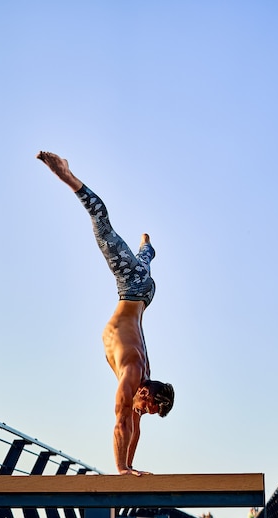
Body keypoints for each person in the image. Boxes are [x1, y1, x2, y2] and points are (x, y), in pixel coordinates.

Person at [37, 151, 174, 476]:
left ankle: (147, 248)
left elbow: (134, 428)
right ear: (145, 392)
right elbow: (119, 419)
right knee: (103, 228)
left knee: (142, 259)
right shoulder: (132, 373)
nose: (144, 412)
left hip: (145, 296)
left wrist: (132, 463)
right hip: (134, 286)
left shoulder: (142, 383)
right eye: (149, 407)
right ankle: (68, 176)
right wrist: (121, 467)